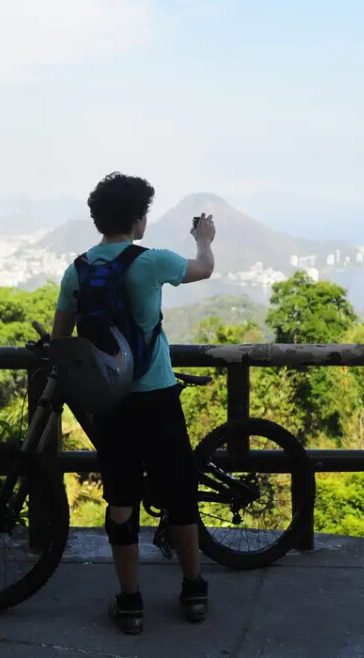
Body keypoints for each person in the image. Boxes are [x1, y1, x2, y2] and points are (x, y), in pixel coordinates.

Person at [51, 172, 217, 634]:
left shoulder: (78, 270)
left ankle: (130, 604)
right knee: (179, 494)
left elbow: (61, 339)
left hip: (110, 403)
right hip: (158, 395)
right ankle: (194, 591)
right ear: (139, 219)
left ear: (98, 219)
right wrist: (204, 240)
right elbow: (203, 269)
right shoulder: (151, 261)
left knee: (121, 499)